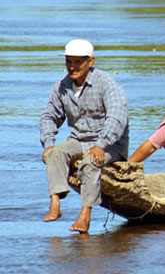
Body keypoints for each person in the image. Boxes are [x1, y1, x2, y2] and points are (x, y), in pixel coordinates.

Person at [40, 39, 129, 233]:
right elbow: (49, 116)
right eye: (69, 62)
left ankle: (85, 213)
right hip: (79, 140)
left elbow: (117, 118)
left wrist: (101, 145)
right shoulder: (62, 86)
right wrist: (48, 143)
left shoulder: (107, 84)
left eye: (78, 62)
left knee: (90, 163)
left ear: (90, 62)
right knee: (56, 153)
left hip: (111, 145)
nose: (72, 67)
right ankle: (55, 201)